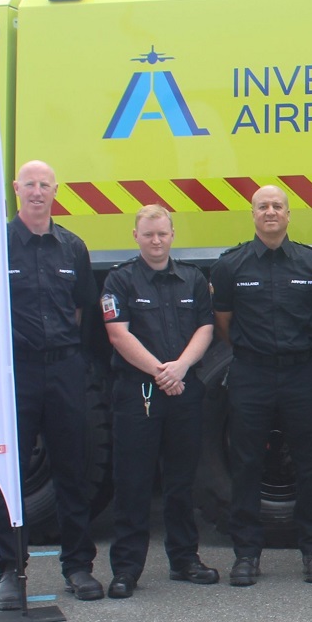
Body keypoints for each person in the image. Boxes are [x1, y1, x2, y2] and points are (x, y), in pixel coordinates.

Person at [0, 160, 101, 607]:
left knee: (72, 471)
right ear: (16, 189)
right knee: (9, 476)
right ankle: (10, 572)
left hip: (63, 369)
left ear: (56, 191)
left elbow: (81, 310)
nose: (37, 192)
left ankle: (78, 566)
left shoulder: (72, 247)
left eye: (45, 185)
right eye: (30, 184)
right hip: (16, 372)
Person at [210, 185, 312, 586]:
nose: (270, 212)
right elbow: (224, 323)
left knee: (310, 464)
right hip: (251, 374)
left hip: (300, 373)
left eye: (277, 206)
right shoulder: (231, 266)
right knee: (246, 465)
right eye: (262, 206)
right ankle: (246, 555)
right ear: (252, 214)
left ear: (288, 213)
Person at [99, 205, 219, 597]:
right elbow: (119, 334)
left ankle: (184, 559)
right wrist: (160, 372)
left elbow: (205, 326)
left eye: (162, 233)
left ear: (172, 234)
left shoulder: (193, 279)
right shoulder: (119, 281)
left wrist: (180, 368)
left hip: (183, 389)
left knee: (181, 482)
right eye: (148, 234)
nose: (155, 240)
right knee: (132, 483)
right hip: (139, 394)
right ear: (135, 235)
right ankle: (127, 570)